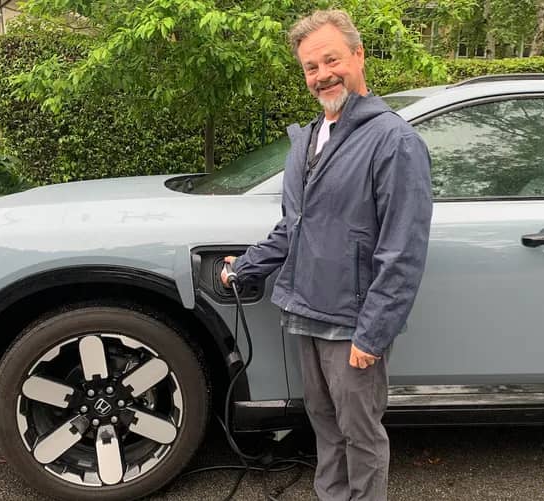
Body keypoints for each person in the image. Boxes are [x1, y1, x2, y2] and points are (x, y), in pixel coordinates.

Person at [220, 9, 432, 501]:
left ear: (358, 56)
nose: (322, 75)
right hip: (305, 312)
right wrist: (244, 268)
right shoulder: (310, 138)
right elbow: (295, 227)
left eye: (331, 60)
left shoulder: (394, 141)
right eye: (311, 68)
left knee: (360, 434)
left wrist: (373, 333)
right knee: (324, 426)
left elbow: (402, 250)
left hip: (352, 323)